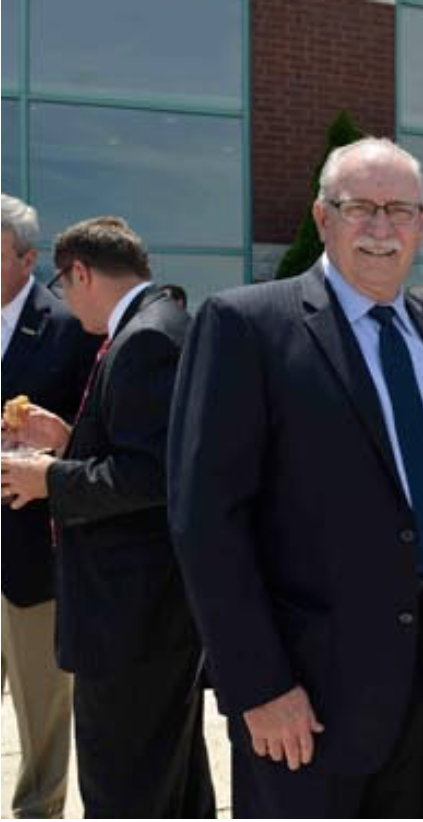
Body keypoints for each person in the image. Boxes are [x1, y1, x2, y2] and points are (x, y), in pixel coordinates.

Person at [167, 137, 423, 818]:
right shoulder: (247, 325)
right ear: (321, 217)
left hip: (417, 681)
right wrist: (258, 683)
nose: (379, 227)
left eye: (398, 210)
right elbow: (206, 520)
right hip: (300, 696)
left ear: (422, 223)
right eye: (358, 207)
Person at [1, 216, 215, 817]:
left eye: (63, 285)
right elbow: (142, 455)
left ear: (83, 273)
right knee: (170, 779)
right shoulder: (157, 324)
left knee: (124, 786)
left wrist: (48, 478)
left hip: (131, 617)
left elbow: (150, 479)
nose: (63, 301)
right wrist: (68, 440)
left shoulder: (144, 339)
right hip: (147, 614)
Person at [0, 194, 100, 819]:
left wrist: (51, 443)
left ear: (27, 258)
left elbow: (91, 436)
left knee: (41, 704)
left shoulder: (66, 330)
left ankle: (39, 809)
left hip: (28, 549)